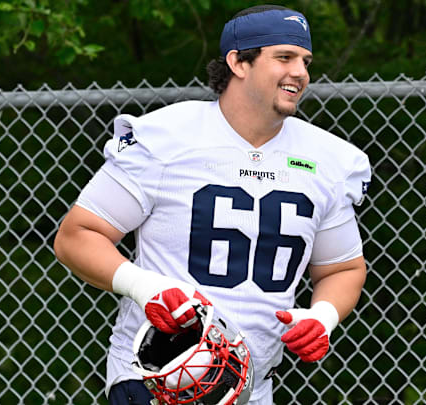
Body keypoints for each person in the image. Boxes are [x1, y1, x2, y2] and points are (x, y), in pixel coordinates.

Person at [53, 4, 371, 404]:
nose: (301, 73)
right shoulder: (166, 138)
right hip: (155, 381)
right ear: (238, 62)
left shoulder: (328, 159)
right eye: (284, 58)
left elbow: (343, 268)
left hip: (253, 387)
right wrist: (145, 287)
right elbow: (77, 235)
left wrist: (323, 316)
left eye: (305, 61)